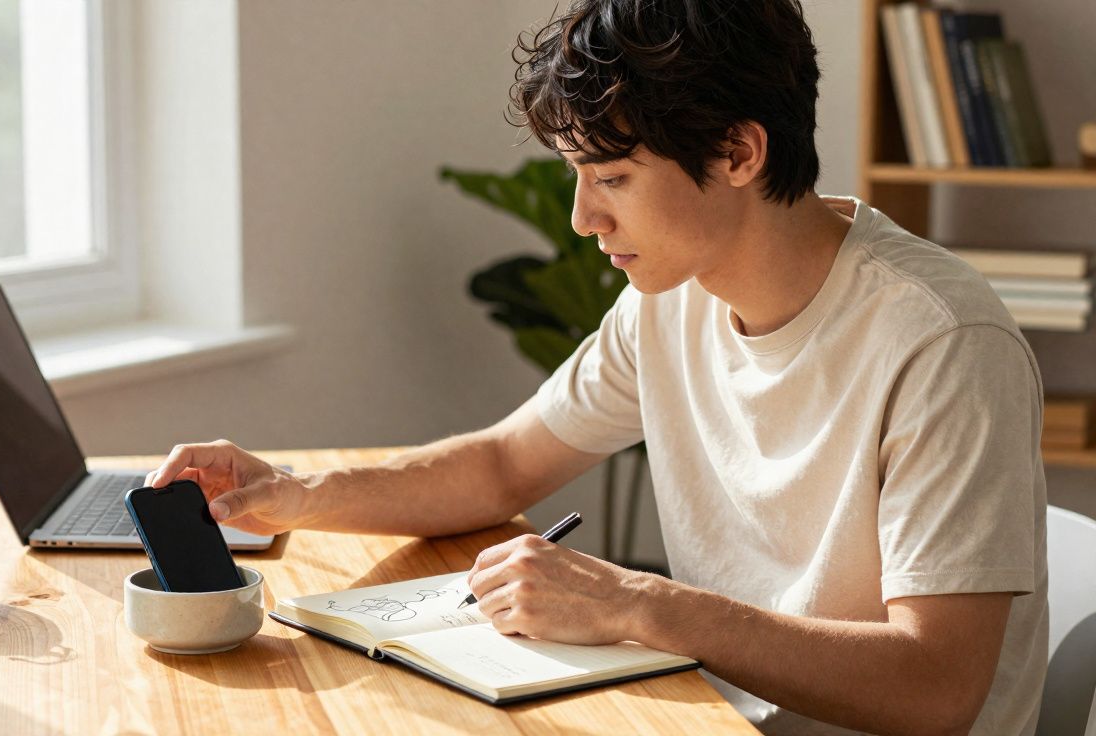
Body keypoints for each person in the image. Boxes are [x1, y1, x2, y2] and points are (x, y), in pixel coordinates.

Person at [147, 1, 1048, 733]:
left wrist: (637, 604)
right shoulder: (670, 298)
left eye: (611, 178)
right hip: (701, 711)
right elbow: (506, 463)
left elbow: (938, 689)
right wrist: (299, 495)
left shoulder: (941, 343)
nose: (583, 219)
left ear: (739, 152)